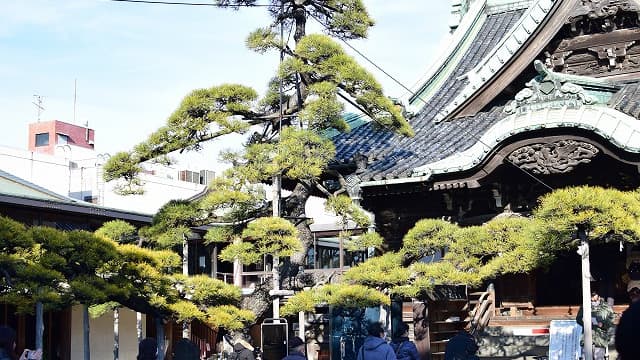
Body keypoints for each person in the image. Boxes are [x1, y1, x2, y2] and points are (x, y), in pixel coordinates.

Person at [576, 291, 615, 360]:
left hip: (600, 340)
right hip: (587, 339)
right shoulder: (584, 306)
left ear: (599, 297)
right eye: (591, 296)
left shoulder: (606, 308)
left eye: (594, 295)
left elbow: (611, 321)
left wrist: (603, 324)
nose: (593, 297)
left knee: (599, 357)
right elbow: (578, 318)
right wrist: (585, 322)